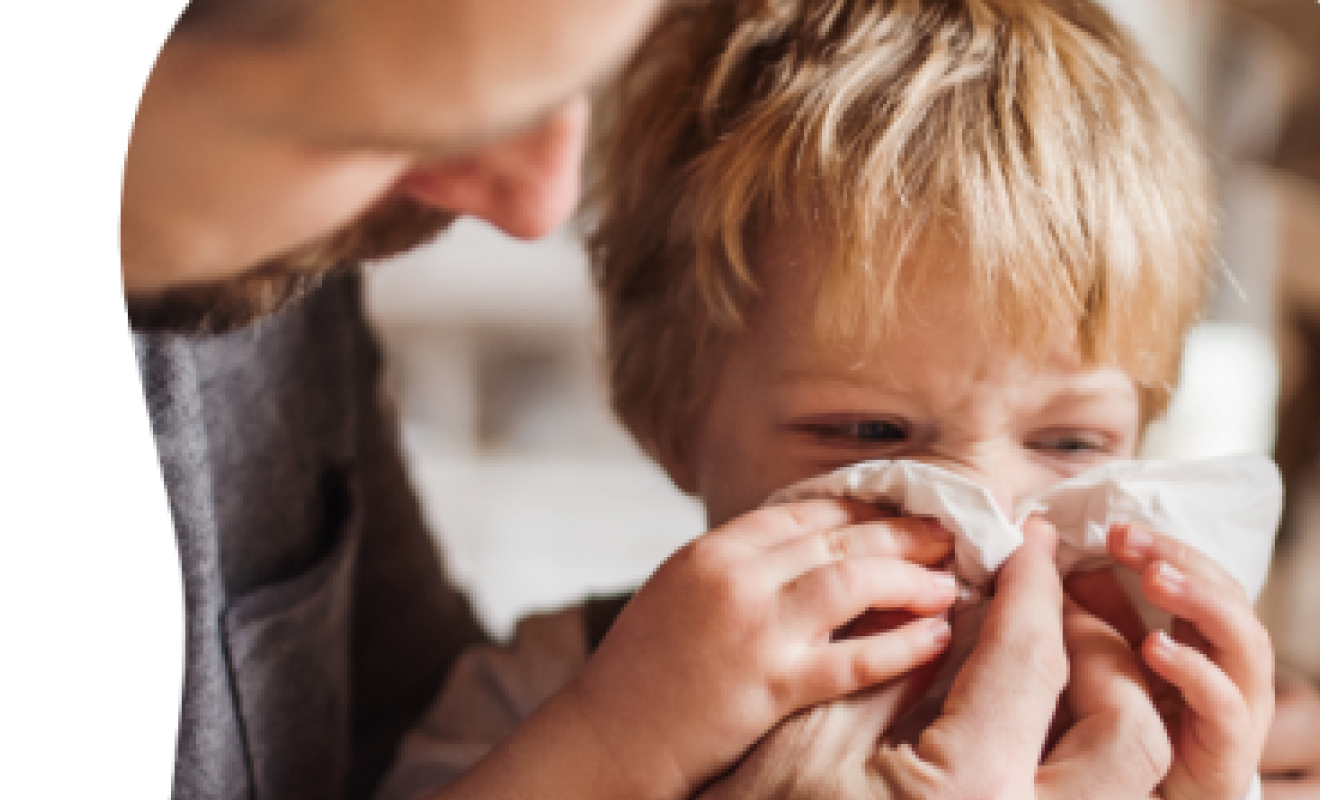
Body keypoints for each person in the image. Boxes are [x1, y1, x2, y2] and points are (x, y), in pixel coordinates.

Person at [125, 0, 1315, 799]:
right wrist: (615, 738)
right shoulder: (569, 685)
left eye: (1072, 440)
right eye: (868, 436)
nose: (992, 523)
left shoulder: (1128, 710)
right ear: (667, 411)